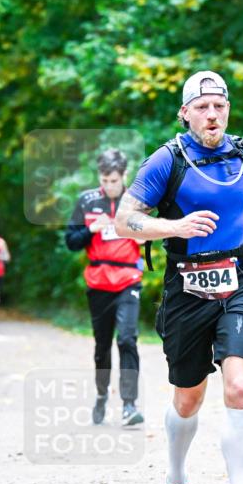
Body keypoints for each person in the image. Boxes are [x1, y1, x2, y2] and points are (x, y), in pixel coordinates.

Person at [114, 71, 243, 484]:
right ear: (185, 112)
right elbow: (124, 220)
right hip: (187, 288)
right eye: (203, 107)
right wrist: (175, 225)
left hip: (239, 280)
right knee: (188, 399)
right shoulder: (166, 161)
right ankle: (175, 480)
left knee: (239, 385)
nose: (213, 114)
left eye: (220, 106)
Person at [65, 149, 145, 428]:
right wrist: (91, 230)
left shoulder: (138, 200)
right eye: (104, 180)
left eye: (113, 180)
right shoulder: (87, 201)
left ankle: (129, 405)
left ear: (124, 175)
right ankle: (101, 395)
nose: (109, 186)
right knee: (102, 347)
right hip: (98, 281)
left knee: (127, 339)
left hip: (128, 279)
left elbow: (153, 232)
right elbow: (71, 241)